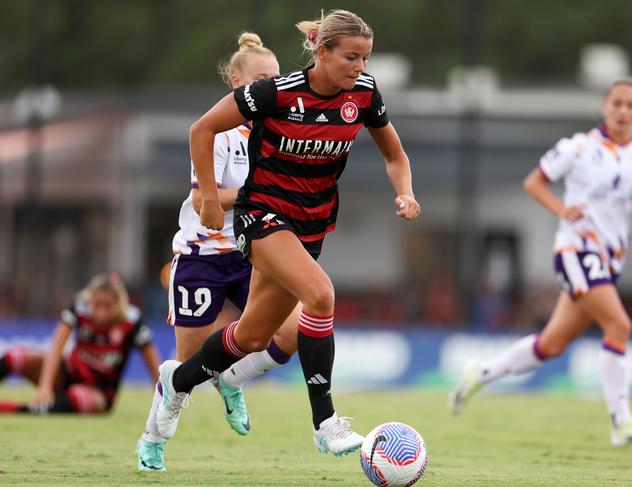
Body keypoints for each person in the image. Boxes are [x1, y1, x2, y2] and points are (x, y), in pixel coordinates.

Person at [143, 9, 420, 460]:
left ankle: (176, 383)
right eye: (351, 57)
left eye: (365, 59)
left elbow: (395, 154)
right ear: (322, 51)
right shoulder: (275, 93)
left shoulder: (365, 95)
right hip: (263, 216)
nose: (360, 68)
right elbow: (202, 128)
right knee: (321, 295)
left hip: (312, 224)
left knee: (251, 337)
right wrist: (210, 198)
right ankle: (325, 423)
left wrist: (405, 193)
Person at [450, 78, 632, 447]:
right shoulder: (578, 147)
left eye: (631, 105)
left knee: (552, 346)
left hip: (609, 261)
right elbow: (534, 182)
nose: (623, 111)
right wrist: (562, 209)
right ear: (605, 106)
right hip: (576, 252)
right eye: (617, 103)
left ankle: (480, 372)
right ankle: (620, 422)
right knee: (618, 324)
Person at [136, 32, 301, 472]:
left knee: (293, 332)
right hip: (202, 253)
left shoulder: (280, 131)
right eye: (262, 78)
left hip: (252, 250)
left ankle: (232, 379)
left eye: (276, 78)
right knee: (186, 364)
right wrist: (259, 192)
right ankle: (153, 437)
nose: (271, 86)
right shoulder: (219, 130)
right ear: (237, 82)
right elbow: (203, 200)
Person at [0, 273, 159, 414]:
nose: (101, 313)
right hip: (66, 375)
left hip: (99, 393)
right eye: (97, 305)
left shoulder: (132, 321)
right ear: (90, 300)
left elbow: (153, 367)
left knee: (77, 396)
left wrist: (162, 403)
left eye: (108, 306)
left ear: (119, 304)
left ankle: (17, 409)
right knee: (14, 356)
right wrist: (45, 387)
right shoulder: (79, 307)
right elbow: (56, 347)